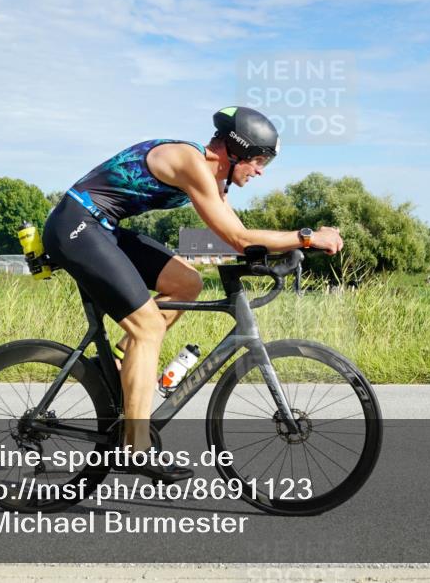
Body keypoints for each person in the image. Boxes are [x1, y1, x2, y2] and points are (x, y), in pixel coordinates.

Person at [42, 106, 344, 482]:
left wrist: (272, 259)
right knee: (148, 327)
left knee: (188, 283)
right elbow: (238, 238)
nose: (261, 170)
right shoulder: (192, 162)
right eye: (259, 160)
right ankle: (135, 449)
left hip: (102, 228)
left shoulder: (215, 180)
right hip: (76, 225)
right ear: (235, 151)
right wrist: (307, 237)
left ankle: (124, 358)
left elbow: (238, 237)